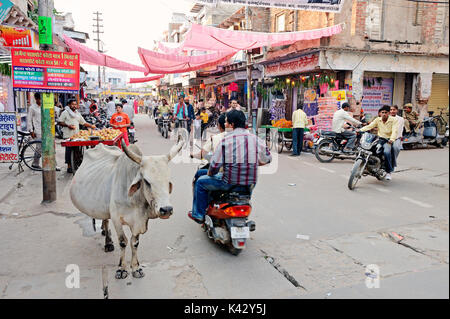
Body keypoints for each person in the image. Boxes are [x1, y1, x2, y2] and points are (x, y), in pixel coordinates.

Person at [188, 110, 272, 223]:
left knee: (200, 182)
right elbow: (267, 159)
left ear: (232, 124)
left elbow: (214, 166)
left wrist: (210, 173)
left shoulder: (226, 140)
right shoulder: (256, 139)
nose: (225, 124)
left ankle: (198, 214)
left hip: (228, 183)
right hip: (250, 184)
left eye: (226, 122)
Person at [360, 105, 399, 181]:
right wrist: (360, 130)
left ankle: (388, 171)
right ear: (380, 113)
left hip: (388, 140)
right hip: (380, 139)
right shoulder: (378, 119)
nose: (384, 114)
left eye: (386, 112)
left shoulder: (394, 120)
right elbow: (370, 126)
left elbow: (395, 130)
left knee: (387, 152)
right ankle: (365, 166)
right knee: (369, 149)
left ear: (389, 113)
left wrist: (391, 139)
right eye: (382, 112)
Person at [58, 99, 96, 173]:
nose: (74, 106)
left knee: (77, 150)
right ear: (69, 105)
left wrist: (91, 126)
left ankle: (75, 163)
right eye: (72, 104)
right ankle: (69, 166)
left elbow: (83, 122)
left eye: (75, 104)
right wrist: (68, 125)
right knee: (68, 151)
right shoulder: (65, 113)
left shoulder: (77, 113)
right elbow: (60, 122)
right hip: (68, 135)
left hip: (76, 135)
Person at [27, 93, 43, 169]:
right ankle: (35, 163)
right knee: (39, 148)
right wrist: (31, 131)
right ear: (36, 99)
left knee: (50, 147)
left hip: (47, 129)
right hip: (38, 130)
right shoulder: (32, 108)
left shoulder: (45, 106)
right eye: (40, 99)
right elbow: (29, 119)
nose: (41, 100)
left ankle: (52, 164)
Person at [390, 105, 405, 169]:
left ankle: (393, 164)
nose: (392, 111)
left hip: (396, 138)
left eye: (394, 110)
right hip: (386, 138)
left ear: (397, 111)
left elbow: (397, 130)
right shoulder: (386, 117)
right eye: (391, 110)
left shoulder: (400, 119)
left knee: (396, 148)